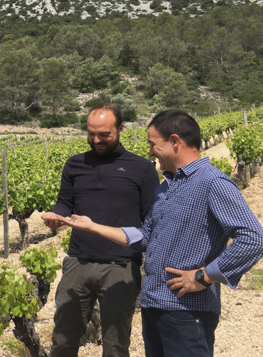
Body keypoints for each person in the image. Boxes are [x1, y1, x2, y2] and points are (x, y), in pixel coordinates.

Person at [56, 109, 263, 357]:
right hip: (155, 304)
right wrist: (92, 226)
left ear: (175, 141)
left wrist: (205, 276)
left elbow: (252, 238)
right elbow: (146, 238)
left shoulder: (212, 182)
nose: (150, 152)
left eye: (153, 145)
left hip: (187, 310)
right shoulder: (167, 187)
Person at [41, 104, 159, 357]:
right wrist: (56, 214)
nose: (96, 140)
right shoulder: (75, 165)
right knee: (63, 339)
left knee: (115, 344)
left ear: (120, 129)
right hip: (78, 262)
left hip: (121, 265)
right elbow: (65, 201)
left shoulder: (142, 168)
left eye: (104, 134)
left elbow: (151, 219)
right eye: (91, 133)